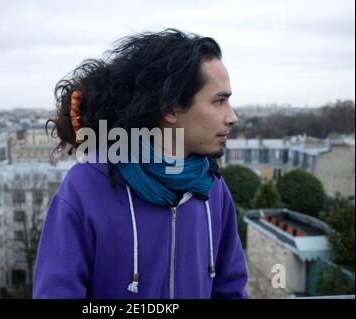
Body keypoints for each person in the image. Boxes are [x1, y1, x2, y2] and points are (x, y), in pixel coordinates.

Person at [33, 28, 248, 299]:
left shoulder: (212, 189)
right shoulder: (85, 188)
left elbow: (230, 291)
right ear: (170, 109)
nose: (232, 117)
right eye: (219, 101)